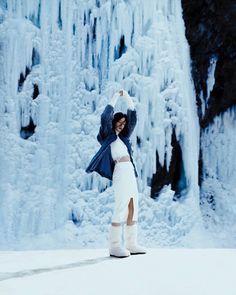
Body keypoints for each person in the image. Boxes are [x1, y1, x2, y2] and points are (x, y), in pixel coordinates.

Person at [86, 90, 146, 258]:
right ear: (114, 123)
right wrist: (115, 97)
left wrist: (127, 98)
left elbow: (133, 118)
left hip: (130, 172)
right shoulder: (107, 136)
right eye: (119, 122)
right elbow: (105, 117)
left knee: (133, 206)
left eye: (123, 122)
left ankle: (131, 243)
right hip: (120, 171)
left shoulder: (125, 138)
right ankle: (114, 246)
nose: (122, 124)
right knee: (121, 205)